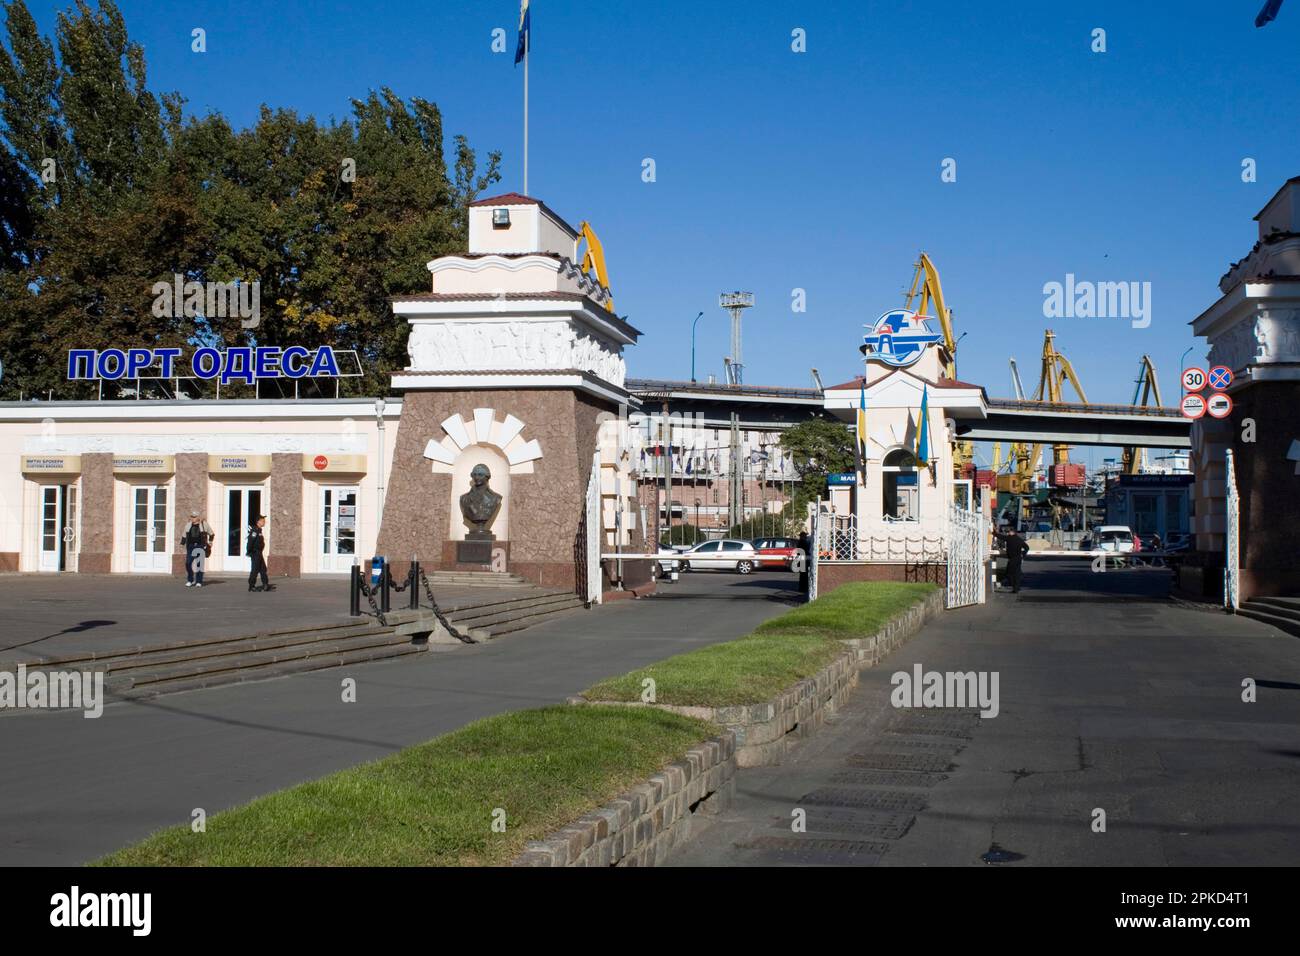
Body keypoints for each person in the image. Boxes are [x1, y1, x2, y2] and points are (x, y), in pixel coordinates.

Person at [181, 511, 213, 588]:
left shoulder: (204, 524)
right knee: (188, 563)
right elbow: (184, 535)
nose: (193, 518)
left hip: (200, 546)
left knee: (199, 564)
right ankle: (190, 579)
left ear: (198, 517)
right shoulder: (188, 525)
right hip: (191, 546)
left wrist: (210, 542)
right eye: (192, 516)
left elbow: (211, 534)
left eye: (194, 517)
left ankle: (199, 581)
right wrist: (182, 544)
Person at [997, 527, 1030, 594]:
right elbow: (1027, 547)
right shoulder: (1019, 539)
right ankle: (1016, 588)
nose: (1008, 533)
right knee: (1016, 574)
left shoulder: (1009, 538)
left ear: (1012, 532)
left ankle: (1014, 586)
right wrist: (1023, 554)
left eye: (1009, 532)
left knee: (1009, 573)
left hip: (1012, 559)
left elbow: (1001, 537)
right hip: (1018, 559)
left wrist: (994, 533)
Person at [246, 515, 274, 592]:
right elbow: (250, 542)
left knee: (263, 569)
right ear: (258, 522)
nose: (264, 522)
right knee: (255, 570)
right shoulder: (254, 531)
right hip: (255, 553)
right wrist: (248, 551)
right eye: (263, 521)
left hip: (259, 553)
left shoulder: (259, 530)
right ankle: (251, 586)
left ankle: (265, 585)